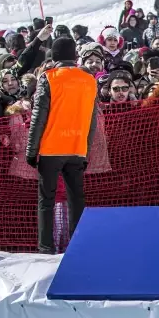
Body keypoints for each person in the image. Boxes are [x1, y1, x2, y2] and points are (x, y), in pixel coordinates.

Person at [25, 36, 100, 253]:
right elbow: (91, 119)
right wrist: (85, 149)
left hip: (51, 148)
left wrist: (32, 150)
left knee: (46, 200)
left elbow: (39, 116)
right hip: (76, 147)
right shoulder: (89, 79)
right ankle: (78, 246)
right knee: (76, 198)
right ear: (75, 56)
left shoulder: (49, 78)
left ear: (54, 57)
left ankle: (45, 247)